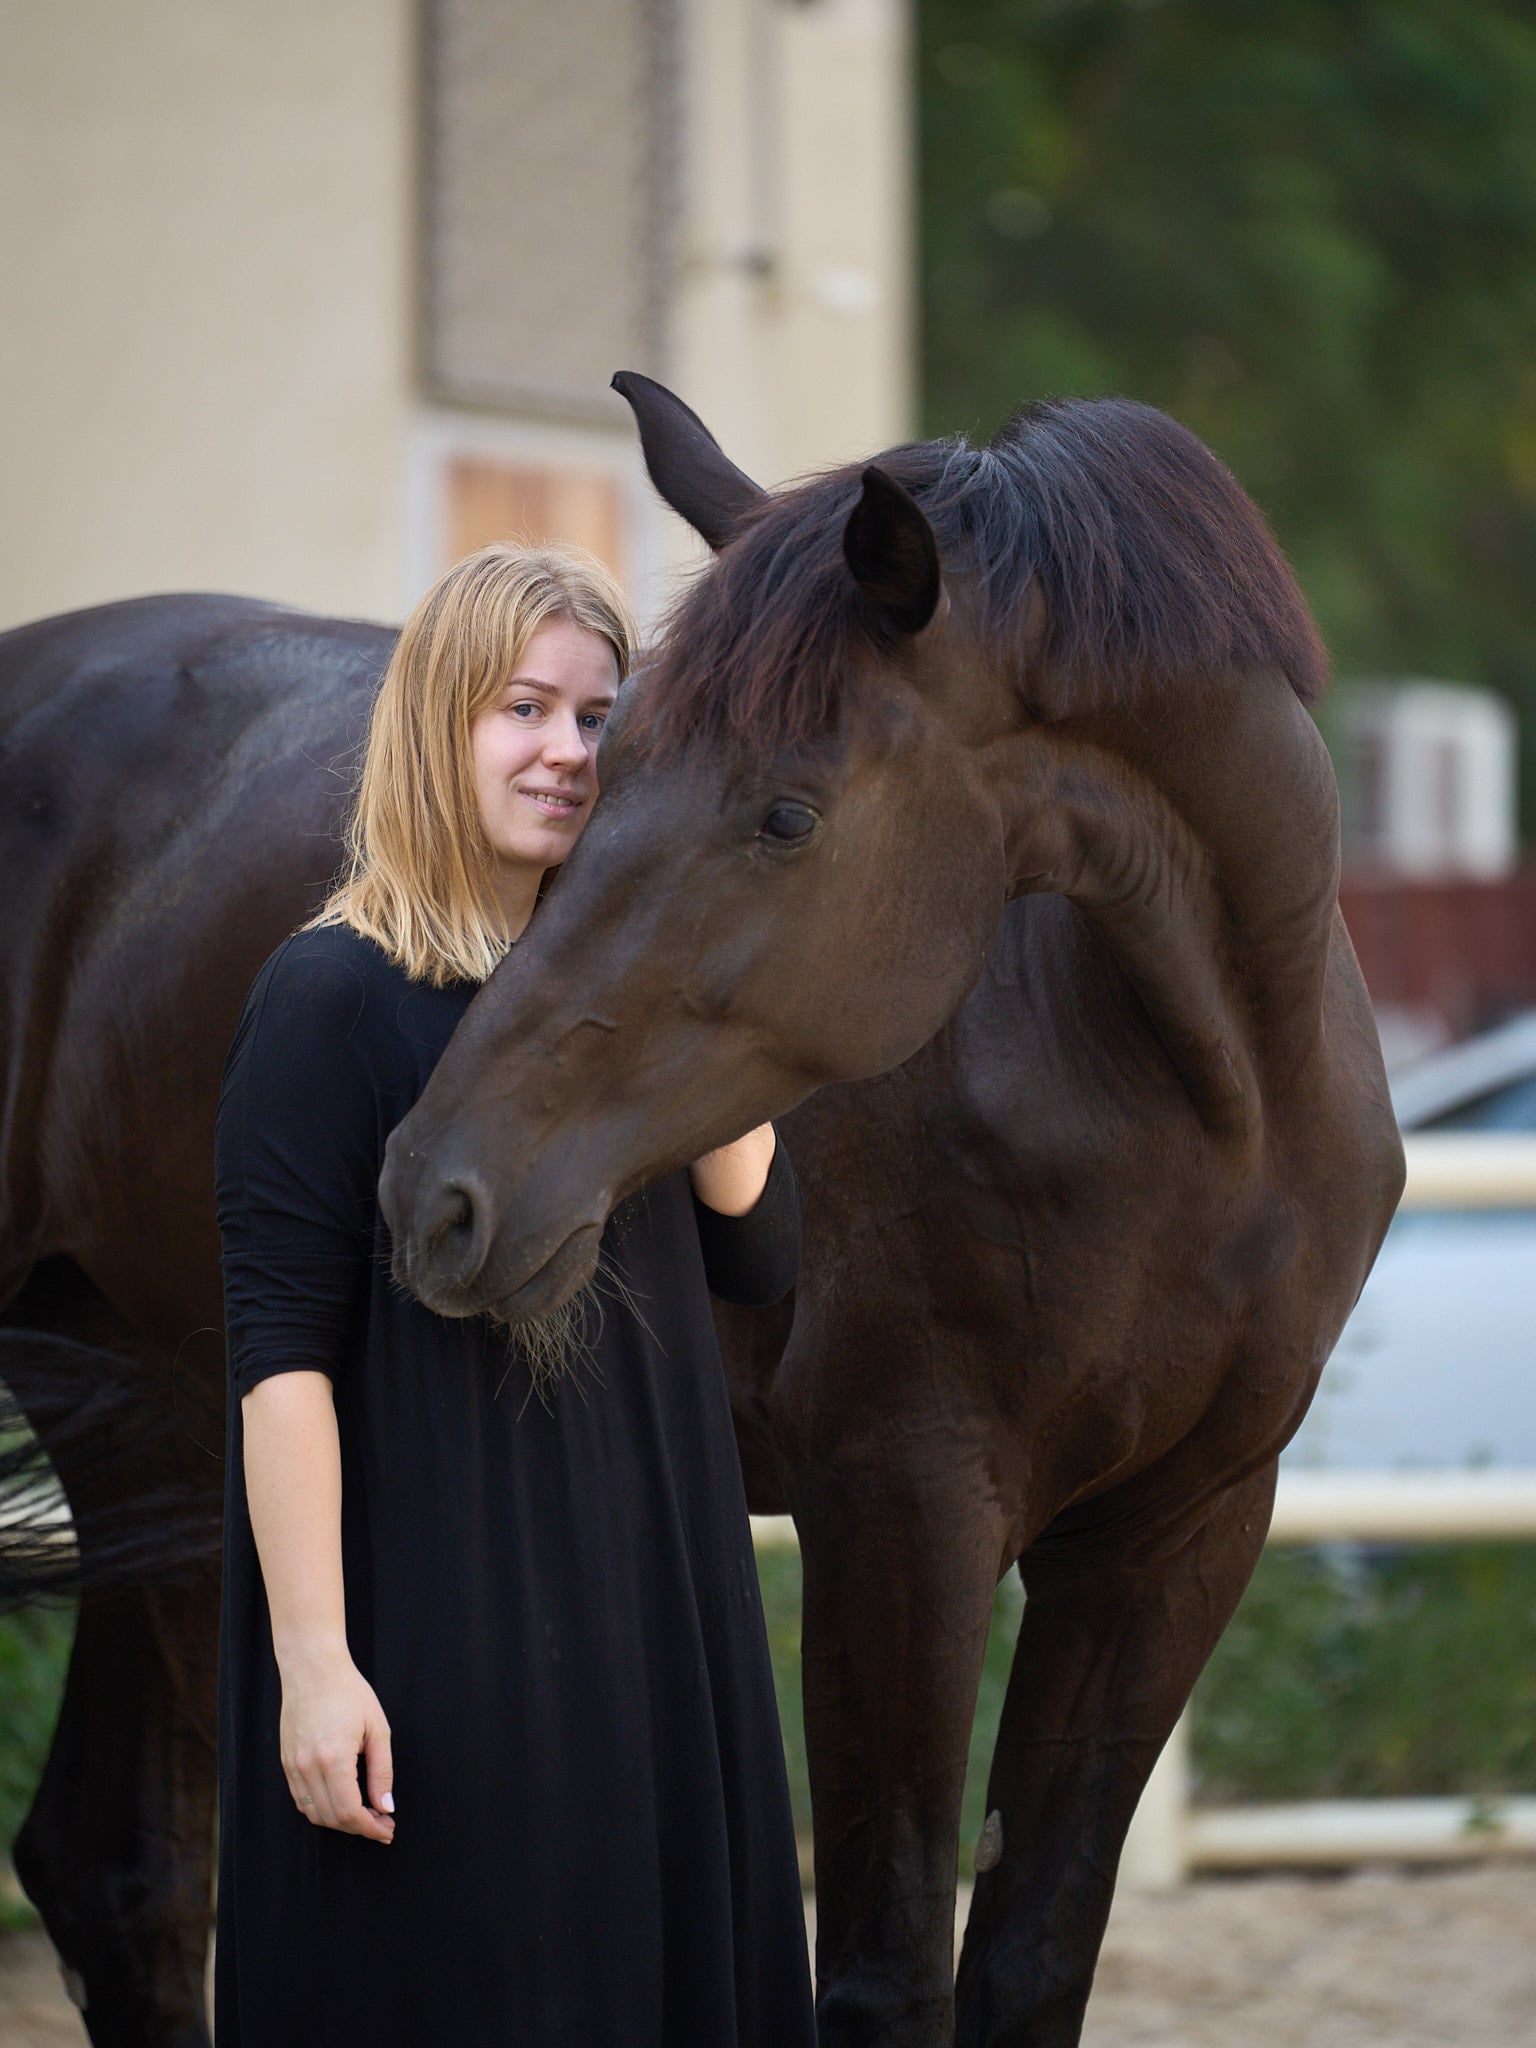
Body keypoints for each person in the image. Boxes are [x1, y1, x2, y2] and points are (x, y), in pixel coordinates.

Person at [214, 542, 817, 2046]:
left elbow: (761, 1257)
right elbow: (279, 1351)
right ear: (438, 723)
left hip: (652, 1610)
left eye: (597, 718)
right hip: (440, 1624)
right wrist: (314, 1665)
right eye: (523, 709)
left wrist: (710, 1011)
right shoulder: (328, 995)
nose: (564, 751)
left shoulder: (629, 993)